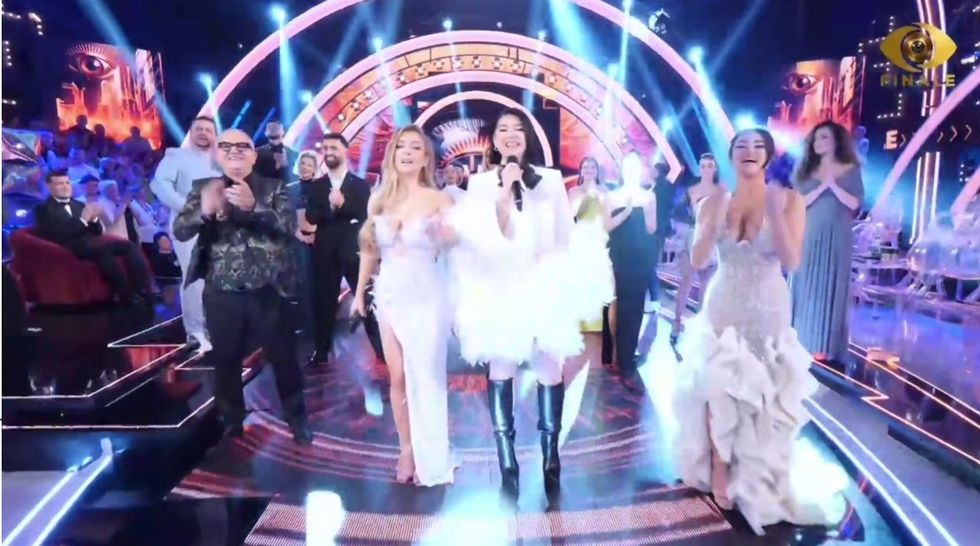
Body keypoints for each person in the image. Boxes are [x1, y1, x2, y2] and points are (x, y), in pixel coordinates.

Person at [674, 128, 840, 534]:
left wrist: (776, 213)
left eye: (757, 146)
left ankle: (756, 472)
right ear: (731, 155)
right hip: (723, 300)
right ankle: (719, 466)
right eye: (741, 146)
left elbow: (791, 260)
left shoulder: (790, 199)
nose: (749, 151)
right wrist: (712, 219)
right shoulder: (713, 201)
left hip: (768, 303)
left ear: (767, 156)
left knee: (764, 390)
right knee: (717, 384)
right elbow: (697, 260)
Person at [440, 108, 605, 500]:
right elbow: (481, 241)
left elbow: (564, 238)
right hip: (501, 288)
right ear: (494, 140)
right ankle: (508, 465)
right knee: (502, 368)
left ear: (527, 136)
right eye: (503, 129)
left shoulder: (550, 180)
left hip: (542, 285)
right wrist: (504, 190)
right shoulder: (480, 185)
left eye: (518, 128)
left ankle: (551, 460)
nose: (511, 134)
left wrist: (559, 280)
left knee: (549, 367)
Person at [172, 128, 312, 445]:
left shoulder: (274, 188)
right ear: (217, 155)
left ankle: (297, 419)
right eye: (226, 146)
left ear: (253, 155)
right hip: (221, 292)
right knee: (225, 361)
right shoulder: (204, 188)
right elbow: (180, 230)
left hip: (268, 291)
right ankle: (232, 421)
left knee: (284, 359)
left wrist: (254, 208)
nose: (234, 151)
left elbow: (289, 227)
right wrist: (203, 212)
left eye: (242, 146)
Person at [352, 125, 456, 486]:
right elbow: (369, 249)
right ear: (393, 155)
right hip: (390, 295)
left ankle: (433, 453)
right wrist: (359, 292)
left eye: (415, 148)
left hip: (427, 296)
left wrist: (441, 234)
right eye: (401, 147)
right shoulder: (379, 199)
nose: (407, 153)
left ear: (426, 158)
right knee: (397, 376)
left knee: (425, 376)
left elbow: (454, 242)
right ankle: (406, 449)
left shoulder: (439, 200)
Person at [304, 133, 384, 366]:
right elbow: (311, 216)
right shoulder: (317, 186)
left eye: (334, 148)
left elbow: (364, 215)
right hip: (324, 251)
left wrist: (343, 205)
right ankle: (321, 351)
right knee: (323, 301)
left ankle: (381, 349)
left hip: (353, 250)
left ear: (344, 151)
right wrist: (331, 208)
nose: (329, 152)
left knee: (366, 297)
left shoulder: (359, 184)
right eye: (326, 148)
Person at [789, 121, 863, 364]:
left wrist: (834, 186)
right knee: (806, 282)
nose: (818, 143)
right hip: (808, 232)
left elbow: (854, 203)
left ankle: (826, 346)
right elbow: (798, 202)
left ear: (836, 141)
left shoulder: (850, 169)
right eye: (816, 139)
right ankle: (800, 339)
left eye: (824, 138)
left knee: (832, 283)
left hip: (838, 234)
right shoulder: (805, 170)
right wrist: (822, 187)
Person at [150, 116, 221, 352]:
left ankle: (215, 326)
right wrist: (185, 206)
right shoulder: (176, 156)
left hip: (219, 226)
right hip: (187, 226)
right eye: (199, 129)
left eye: (208, 130)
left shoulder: (220, 160)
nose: (203, 133)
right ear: (191, 132)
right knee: (195, 278)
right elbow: (159, 184)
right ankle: (196, 332)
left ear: (214, 134)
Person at [34, 170, 150, 305]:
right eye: (60, 184)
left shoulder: (79, 205)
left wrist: (94, 219)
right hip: (68, 247)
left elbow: (97, 232)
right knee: (106, 253)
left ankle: (140, 289)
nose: (65, 187)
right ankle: (125, 295)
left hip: (91, 242)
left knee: (129, 246)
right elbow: (58, 234)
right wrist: (83, 220)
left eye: (67, 183)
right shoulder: (43, 209)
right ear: (49, 187)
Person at [604, 152, 657, 385]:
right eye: (628, 166)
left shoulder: (649, 196)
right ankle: (617, 356)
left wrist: (644, 212)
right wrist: (626, 211)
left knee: (635, 309)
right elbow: (606, 226)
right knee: (620, 306)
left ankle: (627, 360)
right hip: (619, 257)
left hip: (640, 258)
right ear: (622, 170)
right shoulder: (612, 196)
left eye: (635, 166)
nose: (632, 170)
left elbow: (652, 228)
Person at [670, 153, 723, 343]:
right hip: (692, 238)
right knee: (685, 283)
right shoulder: (691, 190)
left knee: (705, 287)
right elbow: (681, 214)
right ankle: (677, 324)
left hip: (712, 241)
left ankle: (701, 326)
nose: (706, 169)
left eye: (710, 165)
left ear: (715, 169)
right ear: (699, 168)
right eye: (703, 166)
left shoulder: (720, 192)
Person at [567, 156, 613, 334]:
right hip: (579, 238)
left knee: (596, 277)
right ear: (580, 171)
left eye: (592, 167)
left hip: (598, 240)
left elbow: (608, 219)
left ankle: (595, 320)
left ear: (597, 171)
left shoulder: (605, 191)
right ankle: (578, 319)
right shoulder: (573, 192)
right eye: (585, 167)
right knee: (580, 278)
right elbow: (569, 218)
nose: (588, 170)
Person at [647, 161, 675, 312]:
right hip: (656, 229)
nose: (651, 172)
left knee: (650, 264)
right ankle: (652, 297)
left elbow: (661, 210)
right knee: (649, 264)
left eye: (653, 170)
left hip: (656, 230)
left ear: (659, 172)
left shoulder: (661, 188)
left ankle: (653, 298)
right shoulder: (659, 186)